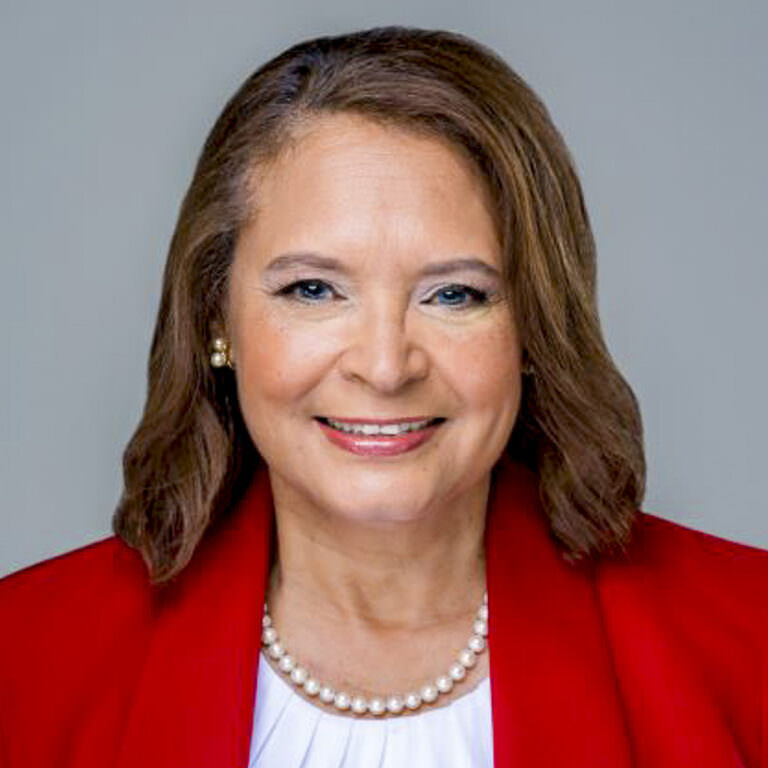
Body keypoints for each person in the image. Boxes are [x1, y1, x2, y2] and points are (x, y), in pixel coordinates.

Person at [1, 25, 766, 768]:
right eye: (313, 289)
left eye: (454, 295)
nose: (385, 366)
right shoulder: (23, 660)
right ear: (215, 319)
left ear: (534, 328)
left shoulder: (748, 642)